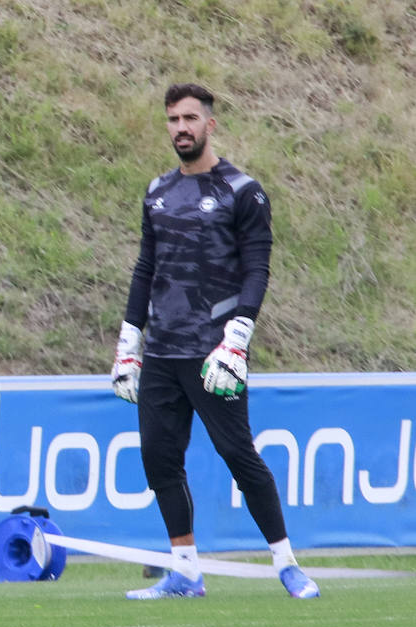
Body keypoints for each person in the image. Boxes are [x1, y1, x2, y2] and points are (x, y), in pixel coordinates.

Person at [110, 83, 319, 600]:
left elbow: (257, 269)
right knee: (159, 459)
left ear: (210, 124)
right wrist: (129, 339)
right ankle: (185, 571)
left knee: (239, 455)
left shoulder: (243, 191)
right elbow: (145, 268)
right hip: (161, 353)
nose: (181, 128)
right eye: (173, 120)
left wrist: (238, 337)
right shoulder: (157, 191)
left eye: (190, 119)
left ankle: (287, 563)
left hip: (213, 355)